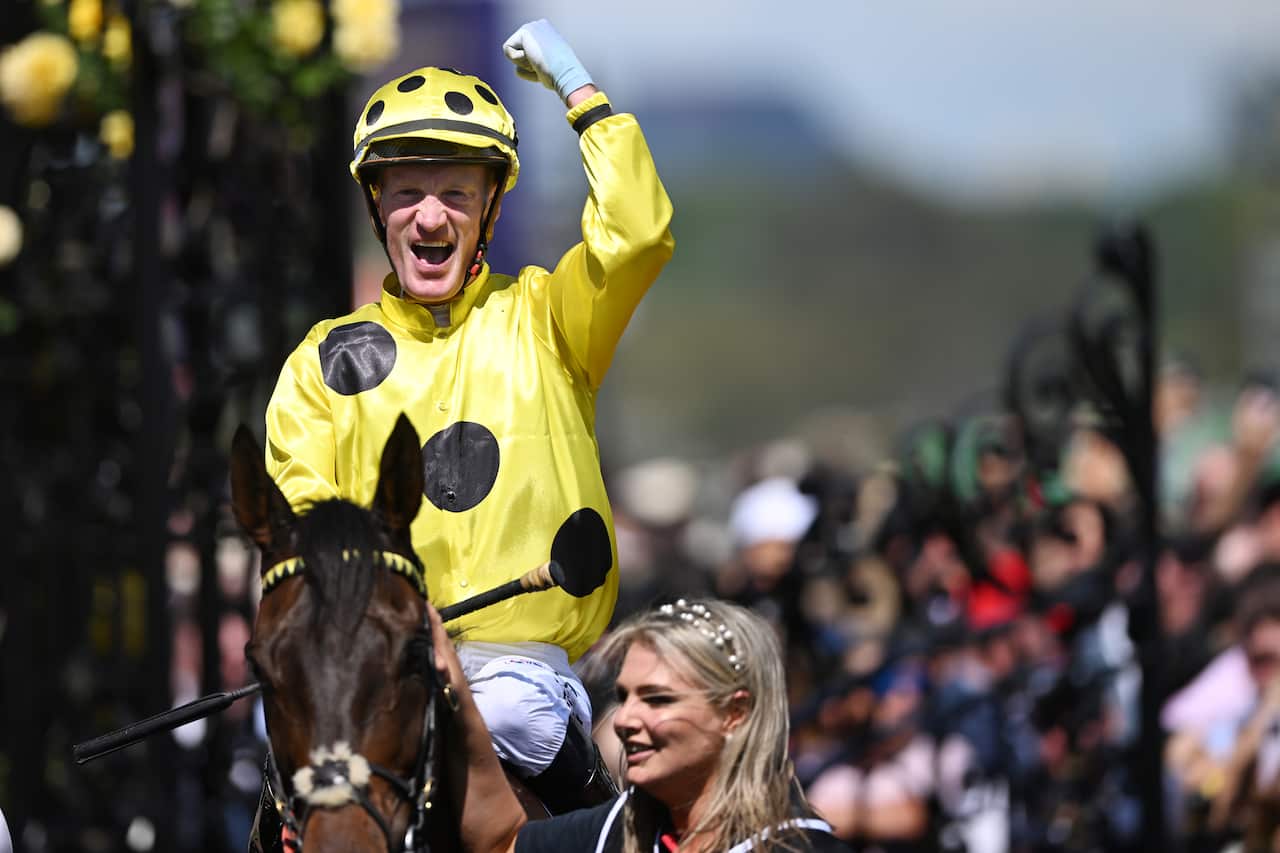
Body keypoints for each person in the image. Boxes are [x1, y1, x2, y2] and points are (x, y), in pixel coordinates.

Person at [262, 17, 674, 812]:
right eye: (408, 193)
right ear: (377, 207)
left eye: (456, 194)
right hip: (374, 662)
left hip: (518, 671)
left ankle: (605, 825)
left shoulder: (550, 320)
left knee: (509, 713)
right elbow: (306, 518)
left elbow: (638, 236)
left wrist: (580, 95)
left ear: (489, 210)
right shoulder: (322, 361)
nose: (429, 217)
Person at [431, 597, 851, 852]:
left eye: (657, 699)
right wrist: (457, 695)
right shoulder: (622, 829)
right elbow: (501, 844)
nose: (626, 720)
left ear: (735, 713)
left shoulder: (801, 847)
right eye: (625, 696)